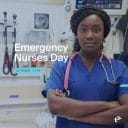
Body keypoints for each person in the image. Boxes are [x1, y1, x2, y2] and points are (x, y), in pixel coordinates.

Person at [42, 5, 128, 128]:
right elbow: (55, 107)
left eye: (96, 30)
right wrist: (108, 105)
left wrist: (75, 115)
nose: (89, 35)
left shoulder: (119, 69)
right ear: (76, 33)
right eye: (83, 30)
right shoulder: (62, 66)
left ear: (104, 34)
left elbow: (125, 114)